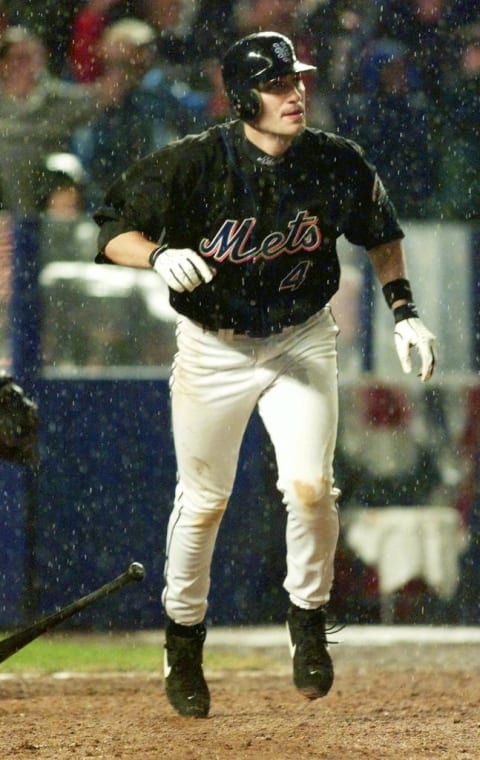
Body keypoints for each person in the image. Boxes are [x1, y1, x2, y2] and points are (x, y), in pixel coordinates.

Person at [93, 31, 436, 718]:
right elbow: (110, 230)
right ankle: (184, 640)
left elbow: (380, 232)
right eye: (280, 85)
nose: (295, 94)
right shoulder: (194, 163)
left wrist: (404, 312)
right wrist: (157, 256)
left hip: (300, 339)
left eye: (298, 82)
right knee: (204, 502)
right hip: (212, 347)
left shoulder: (335, 161)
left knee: (311, 487)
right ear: (244, 96)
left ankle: (307, 617)